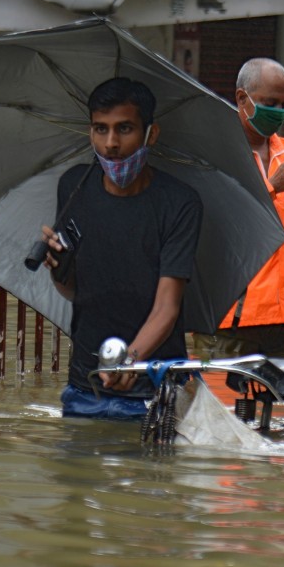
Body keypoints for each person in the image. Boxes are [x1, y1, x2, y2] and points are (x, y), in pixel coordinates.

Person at [42, 77, 203, 418]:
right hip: (85, 385)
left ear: (151, 134)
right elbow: (72, 291)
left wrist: (131, 361)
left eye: (124, 129)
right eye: (100, 129)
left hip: (156, 387)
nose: (111, 143)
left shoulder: (179, 203)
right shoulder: (74, 187)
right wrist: (58, 263)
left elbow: (167, 307)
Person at [194, 57, 284, 360]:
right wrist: (272, 187)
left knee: (277, 405)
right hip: (231, 319)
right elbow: (209, 223)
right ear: (242, 99)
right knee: (222, 404)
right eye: (270, 102)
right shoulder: (215, 153)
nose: (279, 112)